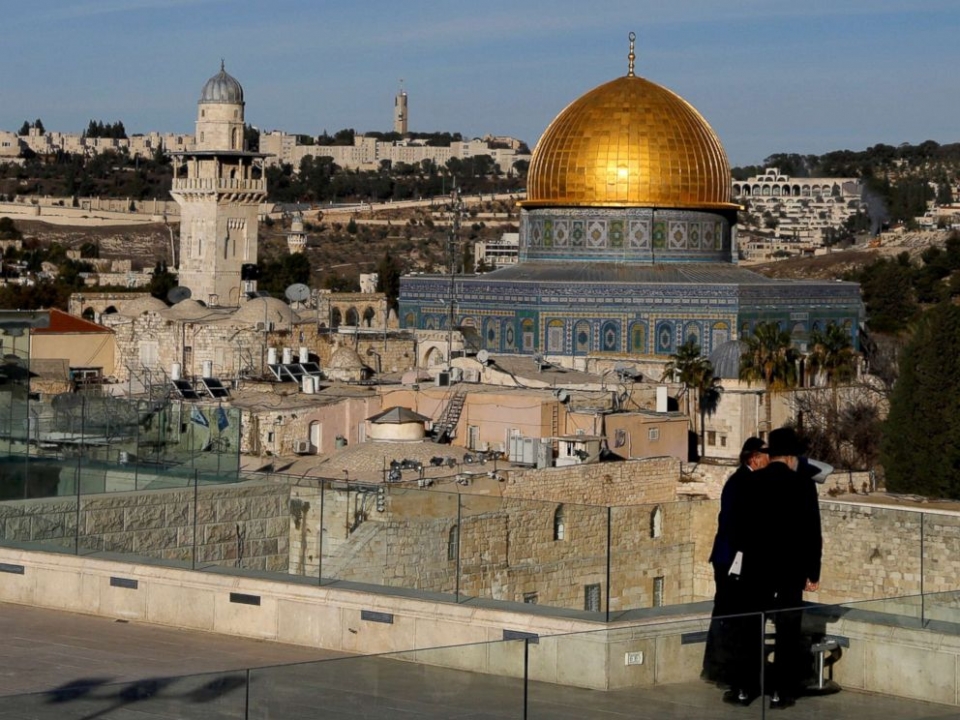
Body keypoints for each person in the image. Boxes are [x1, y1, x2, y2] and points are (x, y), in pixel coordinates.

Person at [748, 427, 823, 710]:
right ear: (791, 457)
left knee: (753, 625)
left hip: (758, 568)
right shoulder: (803, 484)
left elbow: (743, 528)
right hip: (791, 568)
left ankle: (747, 687)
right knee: (787, 631)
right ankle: (781, 692)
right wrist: (812, 572)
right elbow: (812, 532)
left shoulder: (755, 481)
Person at [702, 437, 769, 705]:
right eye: (766, 454)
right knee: (736, 621)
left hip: (735, 562)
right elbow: (733, 526)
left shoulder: (745, 481)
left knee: (736, 619)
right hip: (734, 564)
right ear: (754, 458)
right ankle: (735, 679)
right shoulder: (741, 483)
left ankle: (737, 678)